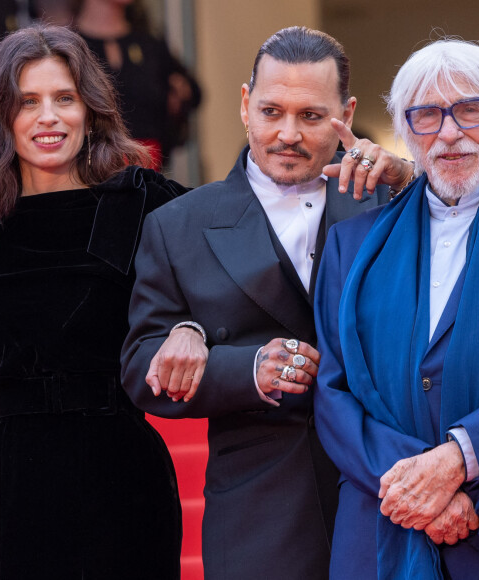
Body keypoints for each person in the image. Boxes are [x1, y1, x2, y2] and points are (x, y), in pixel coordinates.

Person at [121, 26, 413, 580]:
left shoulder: (391, 202)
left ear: (346, 114)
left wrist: (413, 181)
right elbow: (141, 368)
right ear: (244, 105)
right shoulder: (177, 225)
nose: (287, 134)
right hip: (257, 509)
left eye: (311, 116)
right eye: (272, 111)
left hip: (388, 493)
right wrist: (248, 368)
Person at [314, 38, 479, 579]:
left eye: (470, 109)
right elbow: (333, 392)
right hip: (382, 521)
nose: (449, 132)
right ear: (406, 132)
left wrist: (461, 458)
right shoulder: (351, 244)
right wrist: (417, 487)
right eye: (426, 115)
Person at [0, 25, 187, 580]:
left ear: (89, 110)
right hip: (8, 497)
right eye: (27, 102)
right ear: (1, 116)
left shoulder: (139, 202)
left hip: (122, 484)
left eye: (64, 98)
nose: (49, 117)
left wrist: (194, 328)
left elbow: (236, 257)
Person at [75, 0, 202, 168]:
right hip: (91, 170)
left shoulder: (149, 44)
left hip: (148, 172)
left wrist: (178, 96)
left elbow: (193, 93)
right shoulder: (69, 46)